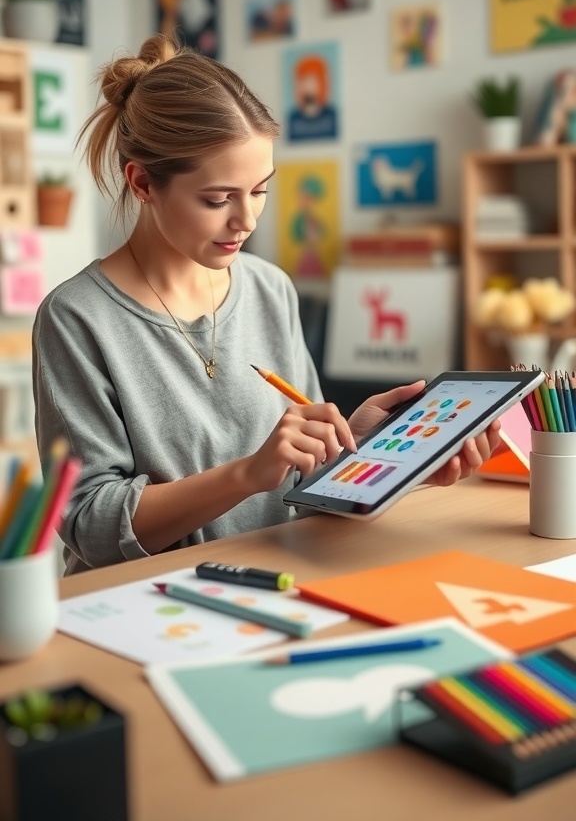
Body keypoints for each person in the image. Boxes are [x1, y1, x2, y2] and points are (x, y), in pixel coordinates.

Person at [32, 35, 501, 575]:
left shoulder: (270, 288)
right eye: (217, 199)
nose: (247, 220)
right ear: (142, 183)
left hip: (277, 582)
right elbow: (90, 524)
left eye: (260, 191)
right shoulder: (76, 318)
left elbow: (300, 487)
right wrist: (248, 473)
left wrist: (367, 448)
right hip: (153, 607)